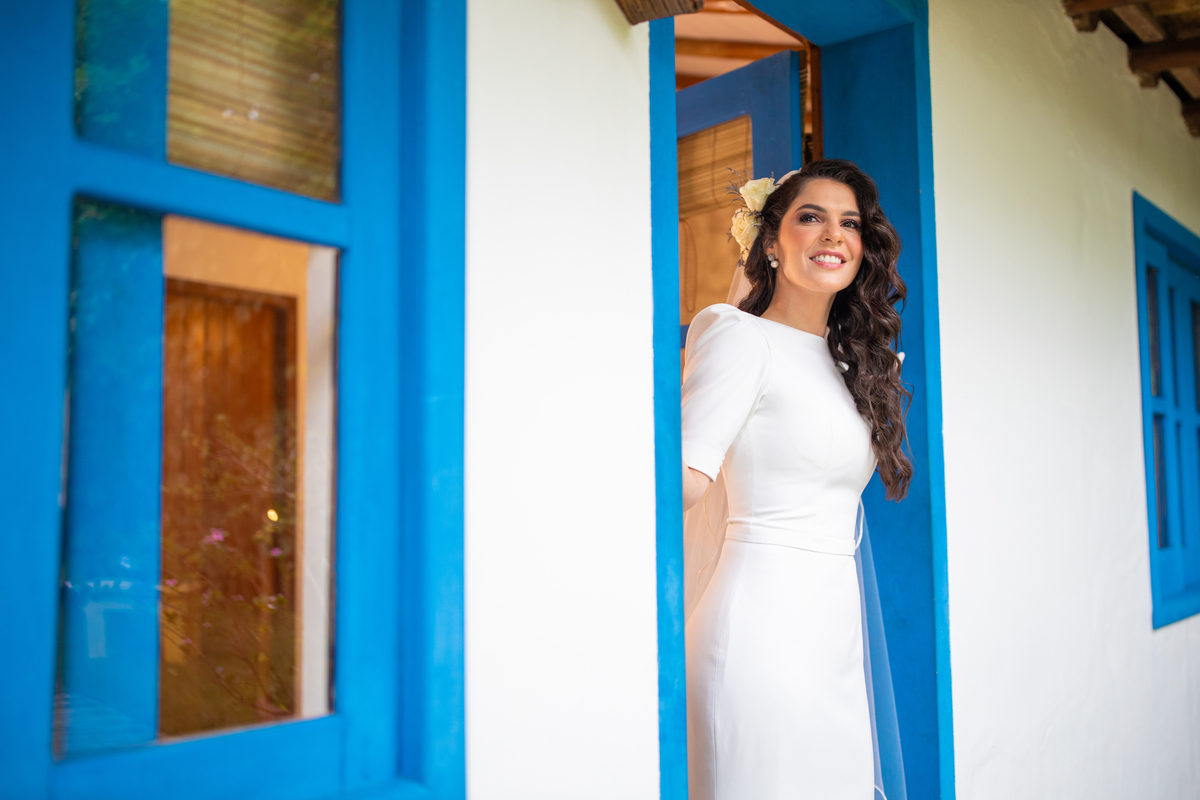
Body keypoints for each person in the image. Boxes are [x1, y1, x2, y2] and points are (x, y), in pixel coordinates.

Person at [682, 159, 911, 800]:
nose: (833, 235)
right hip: (758, 633)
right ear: (771, 243)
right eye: (811, 217)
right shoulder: (739, 338)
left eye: (850, 224)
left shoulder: (855, 366)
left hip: (834, 634)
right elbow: (685, 478)